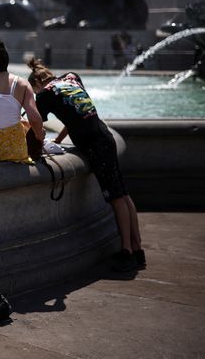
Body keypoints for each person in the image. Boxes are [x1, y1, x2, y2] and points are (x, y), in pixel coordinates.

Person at [27, 58, 144, 272]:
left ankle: (126, 252)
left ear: (36, 85)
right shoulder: (71, 77)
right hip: (104, 135)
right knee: (124, 194)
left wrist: (32, 148)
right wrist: (59, 141)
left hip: (93, 145)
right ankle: (138, 250)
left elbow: (35, 126)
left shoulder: (44, 95)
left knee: (115, 198)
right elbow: (76, 115)